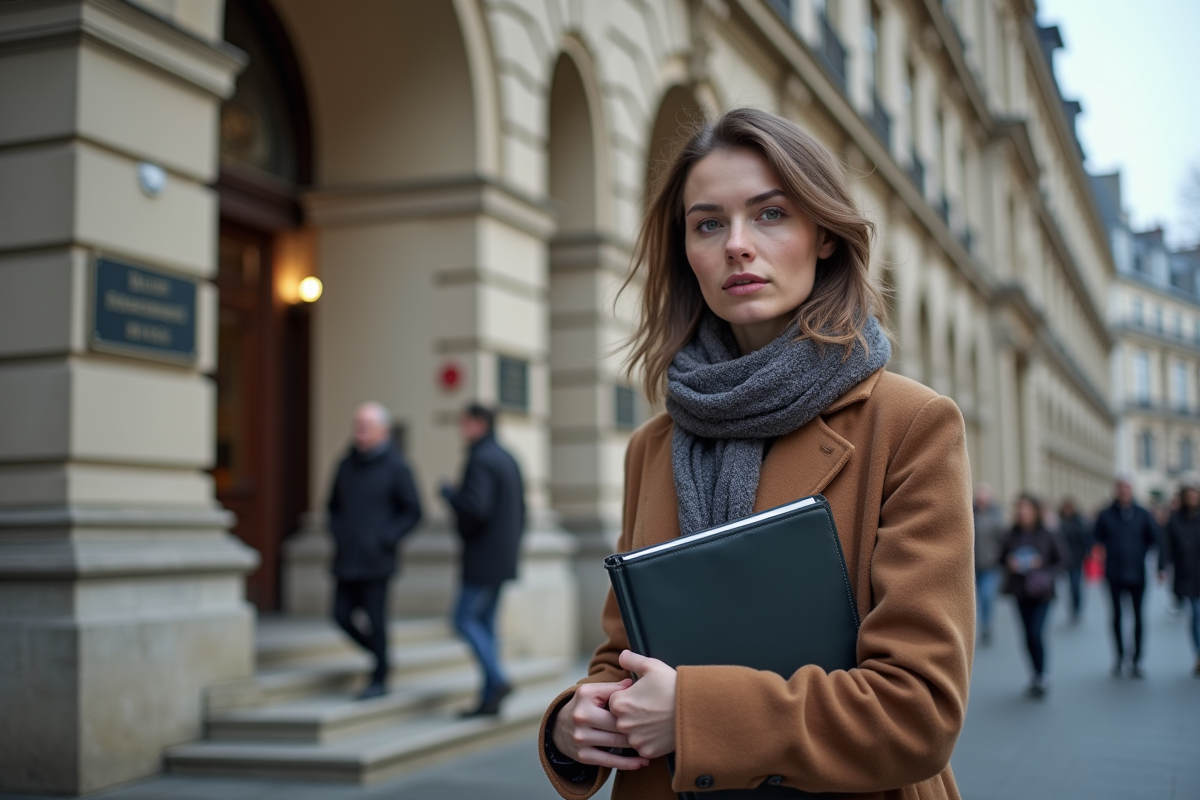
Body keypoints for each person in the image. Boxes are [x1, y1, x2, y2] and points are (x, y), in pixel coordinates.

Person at [537, 108, 974, 799]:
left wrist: (692, 713)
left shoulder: (910, 425)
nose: (737, 245)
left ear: (824, 236)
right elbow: (624, 655)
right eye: (708, 224)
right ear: (686, 250)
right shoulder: (654, 446)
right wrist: (576, 724)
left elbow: (917, 711)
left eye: (770, 215)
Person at [326, 402, 422, 700]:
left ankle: (379, 675)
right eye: (357, 425)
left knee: (376, 620)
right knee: (340, 616)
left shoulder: (397, 466)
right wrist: (339, 533)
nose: (360, 431)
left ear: (383, 431)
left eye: (366, 426)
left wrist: (386, 537)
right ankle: (382, 656)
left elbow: (414, 511)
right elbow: (332, 507)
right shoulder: (345, 464)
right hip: (346, 558)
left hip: (377, 560)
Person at [440, 403, 526, 716]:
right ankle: (489, 698)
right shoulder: (507, 457)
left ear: (478, 424)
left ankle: (498, 679)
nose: (462, 430)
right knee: (486, 625)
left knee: (463, 619)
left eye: (464, 423)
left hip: (482, 558)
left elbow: (476, 507)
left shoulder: (480, 458)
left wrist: (451, 495)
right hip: (503, 556)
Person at [999, 494, 1067, 698]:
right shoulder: (1012, 534)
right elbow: (1001, 557)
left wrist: (1044, 571)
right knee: (1027, 635)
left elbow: (1064, 560)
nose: (1022, 512)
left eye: (1026, 508)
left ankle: (1042, 675)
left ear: (1035, 511)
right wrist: (1009, 562)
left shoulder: (1047, 534)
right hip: (1020, 591)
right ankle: (1035, 674)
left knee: (1036, 633)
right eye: (1019, 509)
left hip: (1042, 593)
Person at [1092, 478, 1161, 678]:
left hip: (1137, 573)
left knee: (1138, 616)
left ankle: (1138, 659)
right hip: (1114, 573)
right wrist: (1098, 548)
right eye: (1120, 489)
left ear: (1132, 491)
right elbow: (1095, 537)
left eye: (1127, 489)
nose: (1124, 492)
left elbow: (1153, 538)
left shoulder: (1142, 513)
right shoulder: (1106, 514)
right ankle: (1119, 657)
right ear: (1116, 491)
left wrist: (1143, 554)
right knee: (1116, 616)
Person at [1164, 479, 1200, 676]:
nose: (1193, 498)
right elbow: (1167, 544)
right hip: (1188, 574)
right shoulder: (1176, 519)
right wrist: (1163, 566)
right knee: (1196, 613)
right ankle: (1199, 654)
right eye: (1189, 495)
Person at [973, 484, 1007, 644]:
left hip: (990, 565)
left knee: (987, 595)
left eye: (984, 498)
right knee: (976, 598)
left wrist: (998, 556)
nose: (981, 500)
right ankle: (980, 625)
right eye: (979, 498)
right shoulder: (970, 513)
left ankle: (986, 625)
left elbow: (1003, 539)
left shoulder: (996, 515)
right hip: (973, 565)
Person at [1058, 497, 1090, 622]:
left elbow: (1085, 539)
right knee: (1068, 586)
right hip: (1064, 560)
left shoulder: (1079, 522)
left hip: (1077, 559)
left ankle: (1076, 608)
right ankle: (1072, 608)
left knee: (1075, 585)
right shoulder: (1060, 522)